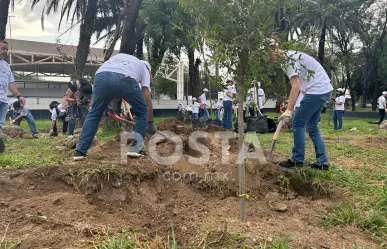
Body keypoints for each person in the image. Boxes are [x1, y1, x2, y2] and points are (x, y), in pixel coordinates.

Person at [73, 53, 156, 161]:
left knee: (94, 113)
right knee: (142, 111)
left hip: (101, 76)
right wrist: (150, 123)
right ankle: (136, 148)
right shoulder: (144, 68)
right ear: (149, 71)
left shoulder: (123, 59)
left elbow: (111, 80)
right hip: (126, 78)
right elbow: (147, 98)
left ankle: (80, 151)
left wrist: (106, 107)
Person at [269, 38, 333, 171]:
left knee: (298, 123)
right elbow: (301, 87)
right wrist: (290, 103)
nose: (268, 59)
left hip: (316, 90)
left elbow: (296, 87)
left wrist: (288, 112)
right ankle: (322, 162)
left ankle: (297, 160)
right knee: (312, 126)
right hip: (322, 89)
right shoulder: (290, 56)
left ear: (274, 49)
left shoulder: (288, 60)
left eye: (268, 55)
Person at [0, 40, 27, 153]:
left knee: (0, 124)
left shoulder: (6, 66)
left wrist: (19, 96)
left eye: (7, 49)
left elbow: (11, 84)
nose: (6, 51)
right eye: (3, 48)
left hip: (3, 99)